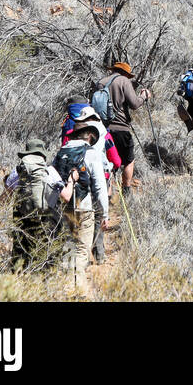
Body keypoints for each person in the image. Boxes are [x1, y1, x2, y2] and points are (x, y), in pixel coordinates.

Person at [51, 108, 110, 298]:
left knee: (68, 248)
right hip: (84, 207)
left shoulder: (61, 152)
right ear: (90, 136)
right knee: (82, 250)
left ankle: (67, 288)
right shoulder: (91, 153)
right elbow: (100, 186)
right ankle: (79, 291)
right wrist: (105, 213)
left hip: (63, 206)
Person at [5, 137, 64, 272]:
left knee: (21, 248)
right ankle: (45, 279)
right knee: (46, 249)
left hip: (23, 216)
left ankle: (18, 280)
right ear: (43, 155)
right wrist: (72, 181)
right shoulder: (50, 171)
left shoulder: (17, 171)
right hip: (46, 216)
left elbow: (4, 198)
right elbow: (65, 196)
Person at [94, 61, 151, 192]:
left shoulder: (101, 82)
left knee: (108, 162)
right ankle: (126, 189)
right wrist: (144, 96)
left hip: (103, 129)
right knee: (128, 160)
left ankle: (107, 195)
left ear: (113, 69)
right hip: (121, 128)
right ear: (125, 73)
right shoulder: (124, 81)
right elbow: (135, 104)